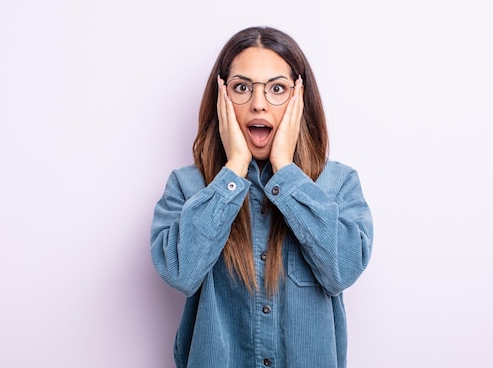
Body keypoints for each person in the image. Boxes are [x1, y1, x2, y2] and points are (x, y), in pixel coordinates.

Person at [150, 26, 373, 368]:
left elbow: (342, 271)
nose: (258, 104)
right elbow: (181, 273)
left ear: (299, 100)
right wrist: (235, 167)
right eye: (242, 88)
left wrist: (284, 169)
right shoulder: (187, 186)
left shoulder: (338, 184)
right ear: (221, 98)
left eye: (277, 89)